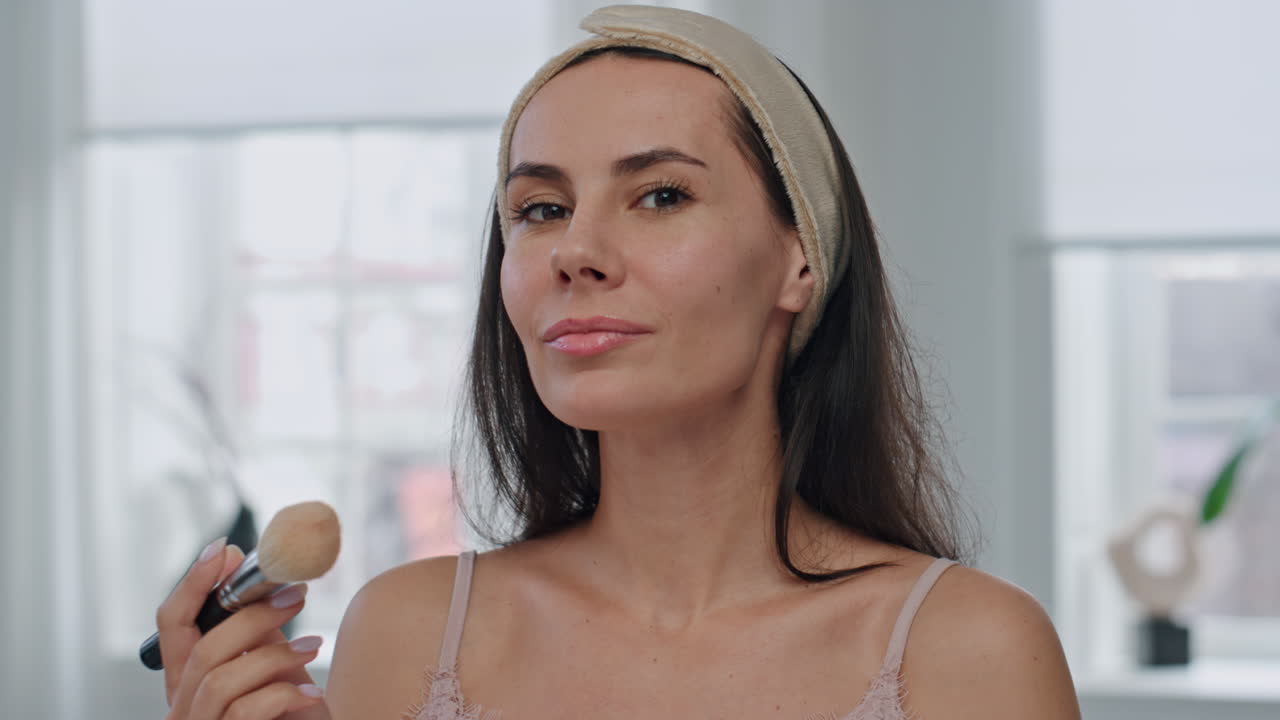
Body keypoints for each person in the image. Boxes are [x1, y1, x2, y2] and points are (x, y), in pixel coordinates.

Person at [154, 6, 1081, 719]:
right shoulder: (407, 633)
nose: (575, 251)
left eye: (661, 194)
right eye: (541, 209)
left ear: (801, 259)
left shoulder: (969, 654)